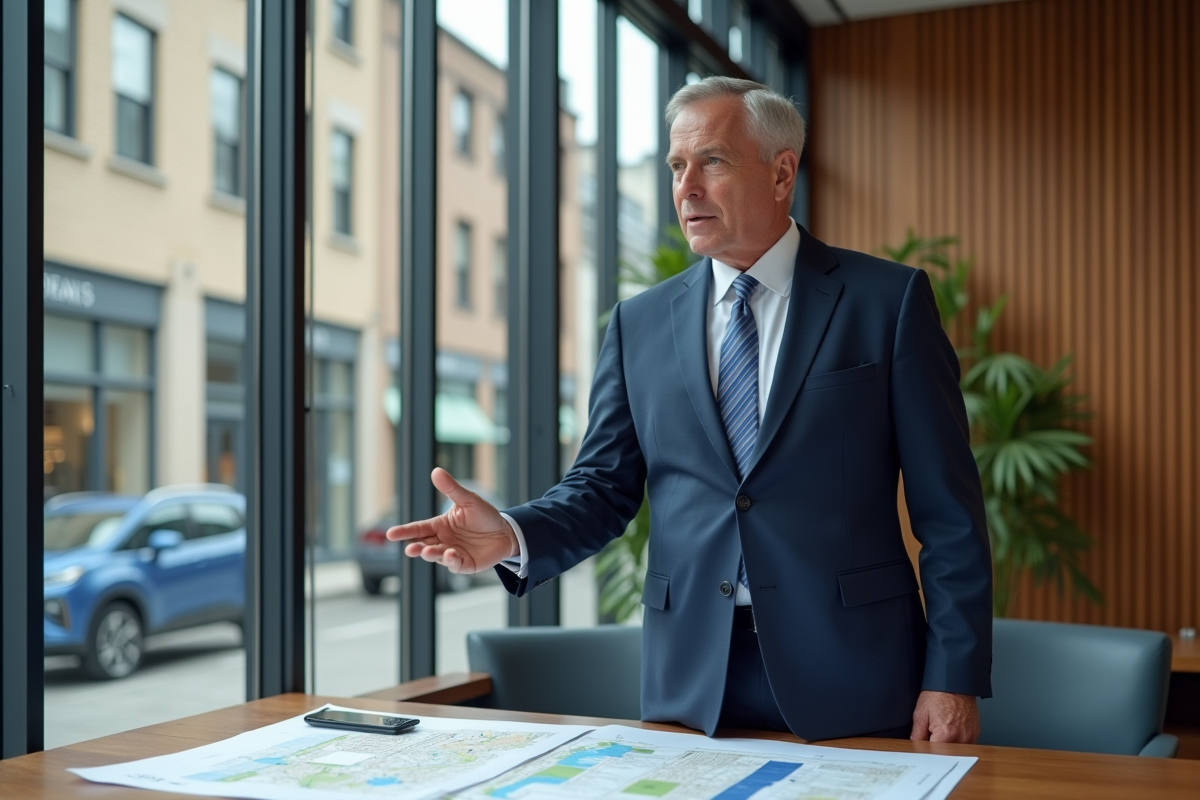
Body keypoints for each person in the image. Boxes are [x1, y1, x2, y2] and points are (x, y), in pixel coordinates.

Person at [389, 76, 992, 743]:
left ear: (781, 173)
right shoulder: (639, 323)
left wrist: (952, 676)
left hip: (853, 666)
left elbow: (949, 512)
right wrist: (512, 535)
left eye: (713, 161)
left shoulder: (887, 301)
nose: (687, 188)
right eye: (677, 166)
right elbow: (603, 486)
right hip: (692, 677)